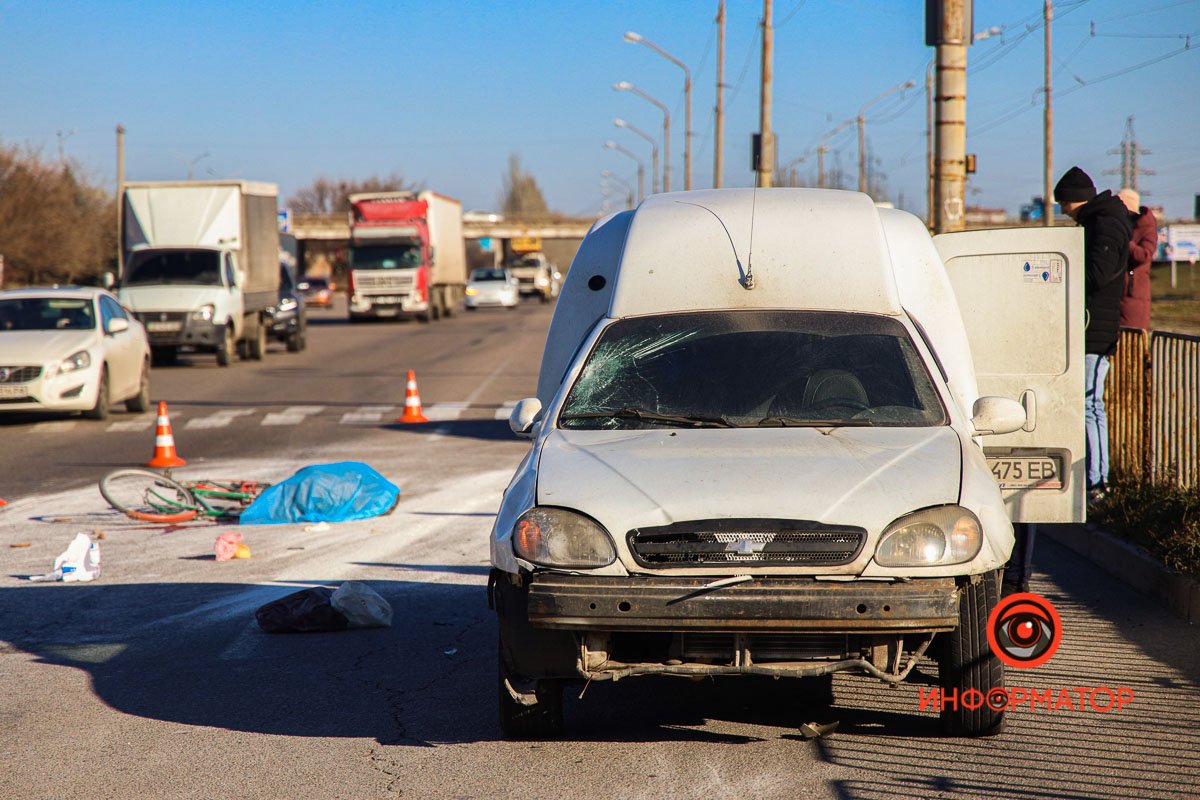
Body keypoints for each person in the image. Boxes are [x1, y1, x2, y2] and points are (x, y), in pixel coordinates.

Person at [1054, 166, 1133, 502]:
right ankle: (1095, 479)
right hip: (1092, 326)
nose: (1062, 211)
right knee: (1090, 404)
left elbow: (1097, 273)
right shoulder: (1101, 221)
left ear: (1075, 200)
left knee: (1090, 404)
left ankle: (1097, 482)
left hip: (1094, 329)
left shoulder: (1104, 224)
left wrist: (1064, 279)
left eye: (1063, 204)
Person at [1116, 188, 1157, 331]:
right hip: (1120, 290)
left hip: (1134, 293)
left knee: (1132, 341)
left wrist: (1125, 242)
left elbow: (1145, 255)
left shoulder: (1146, 227)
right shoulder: (1125, 224)